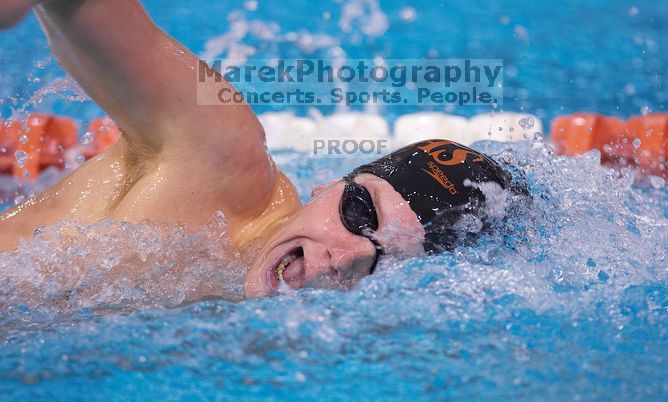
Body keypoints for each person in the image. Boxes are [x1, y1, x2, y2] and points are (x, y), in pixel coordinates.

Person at [0, 0, 525, 298]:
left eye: (386, 260)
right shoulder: (222, 153)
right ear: (330, 183)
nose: (342, 258)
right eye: (359, 213)